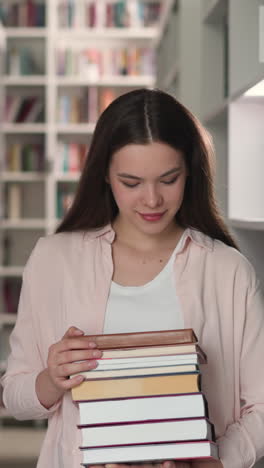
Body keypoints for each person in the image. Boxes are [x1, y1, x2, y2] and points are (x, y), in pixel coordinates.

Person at [1, 88, 264, 468]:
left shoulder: (228, 270)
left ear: (189, 170)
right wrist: (51, 378)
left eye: (168, 179)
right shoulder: (53, 260)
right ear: (105, 175)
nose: (152, 200)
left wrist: (219, 460)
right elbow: (15, 396)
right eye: (132, 182)